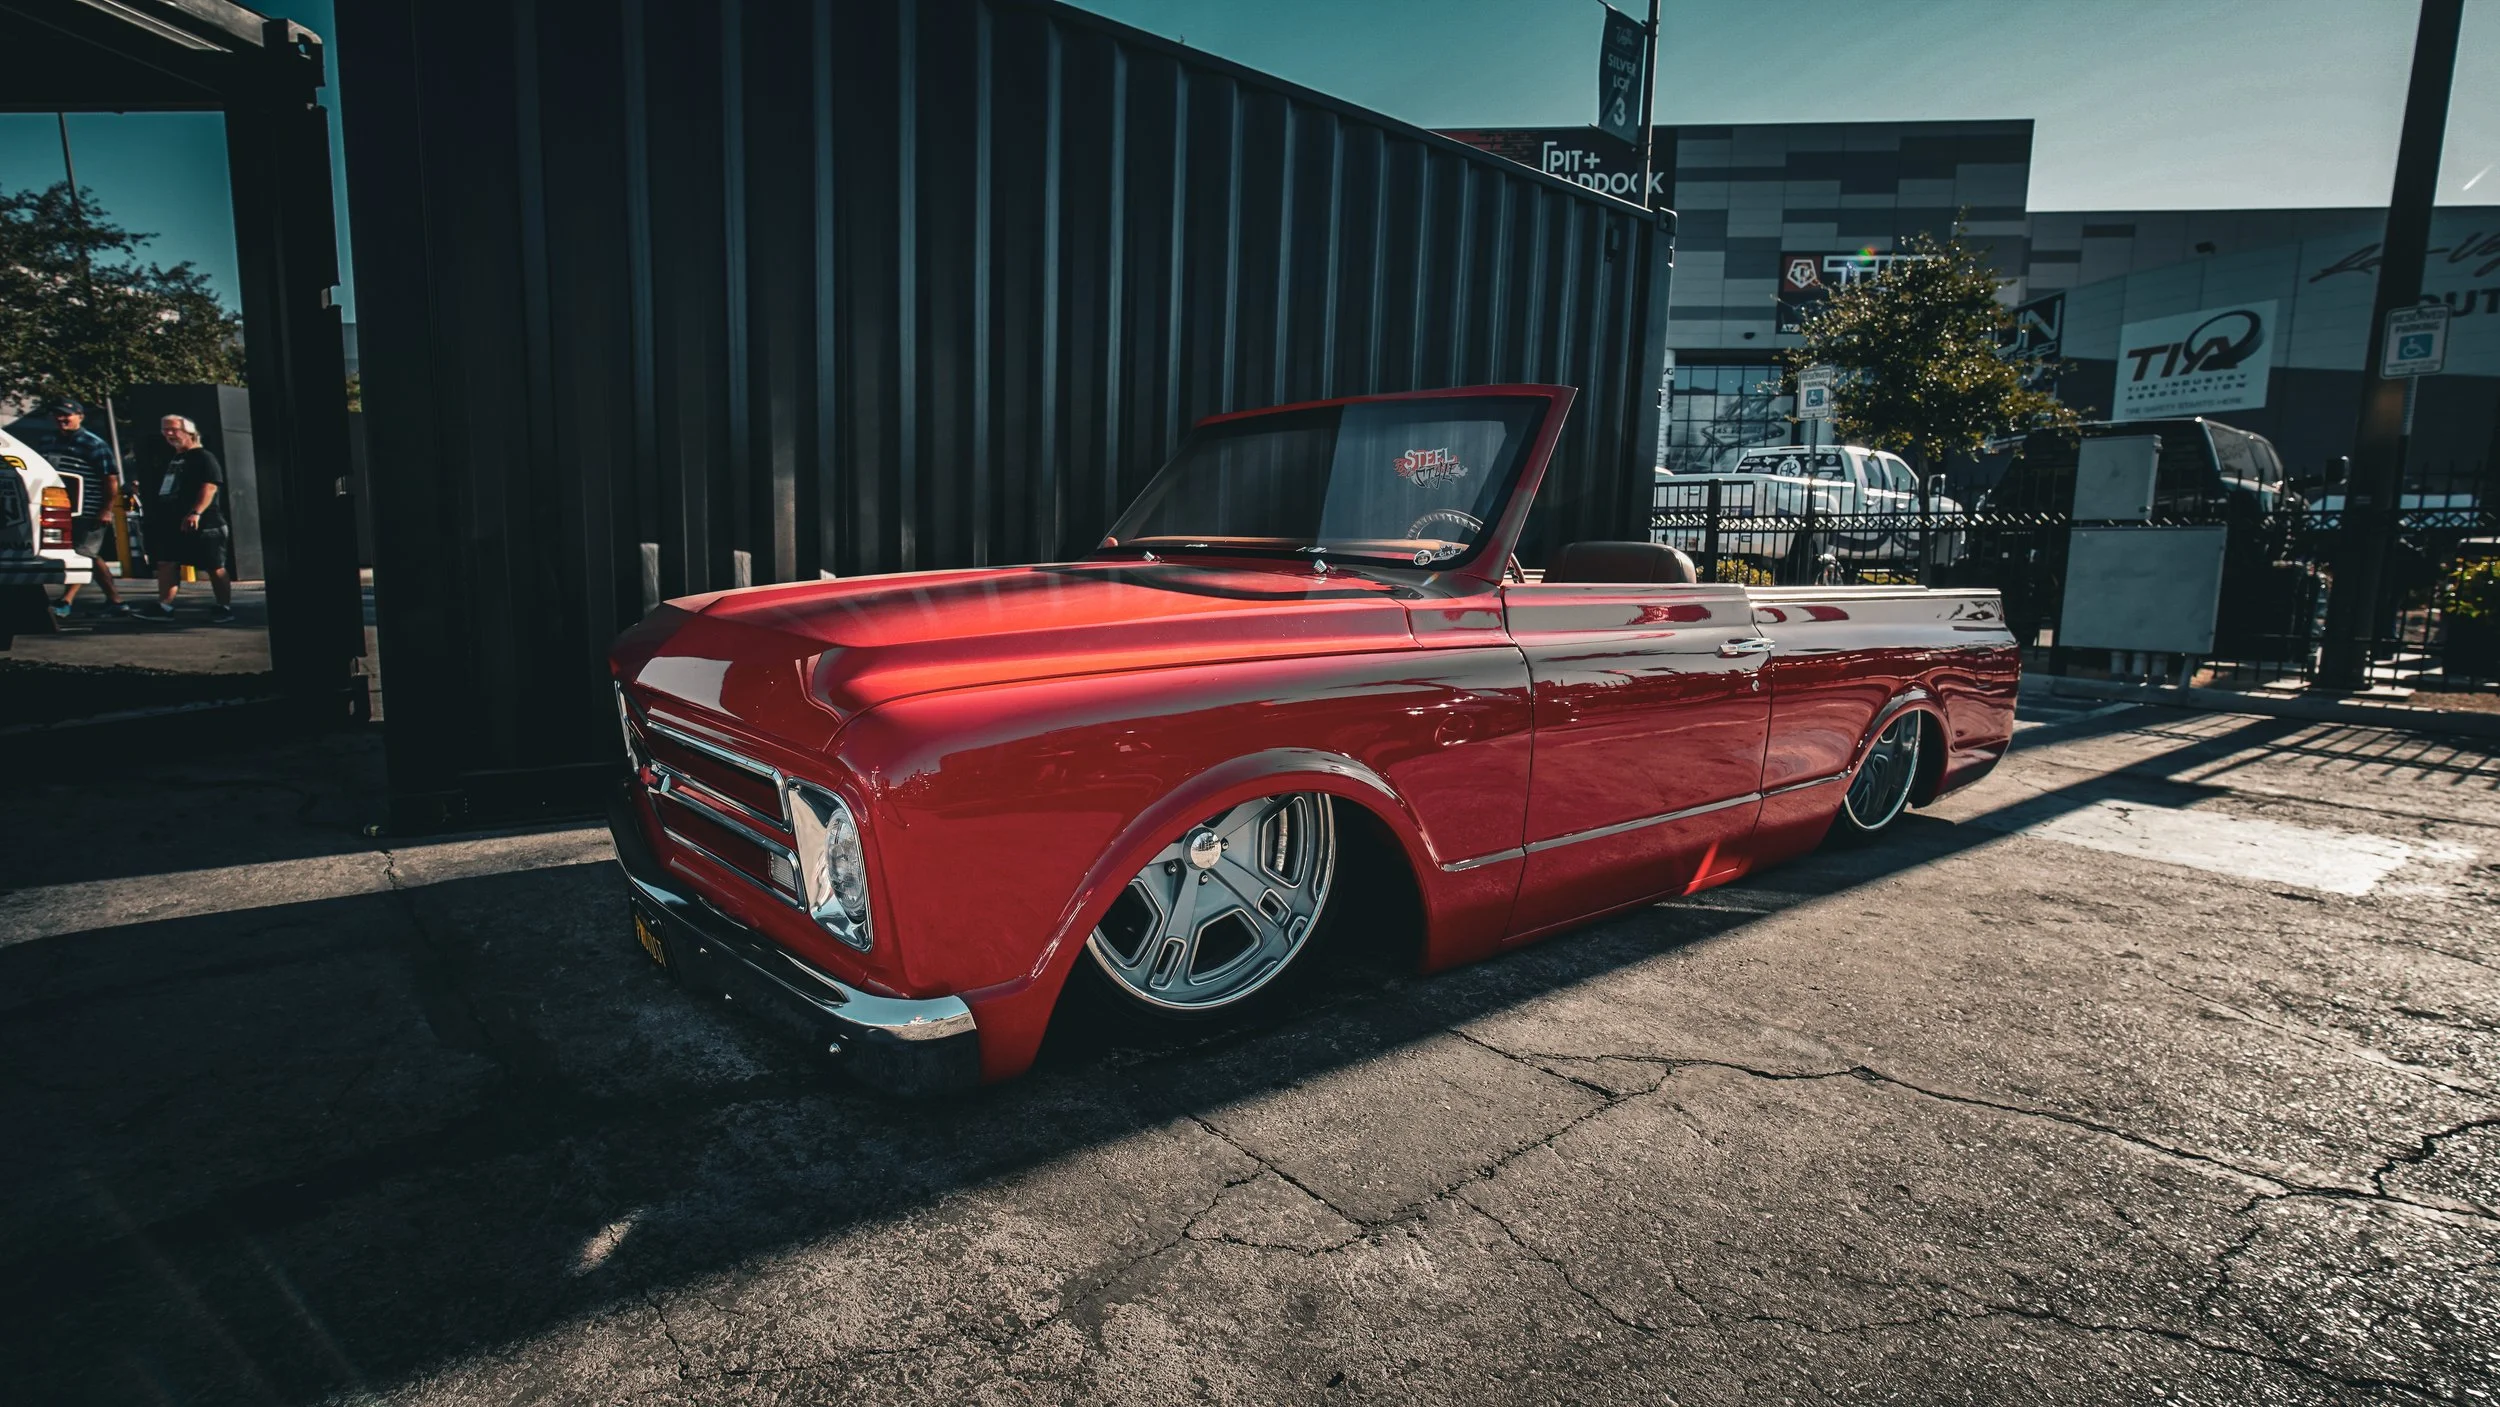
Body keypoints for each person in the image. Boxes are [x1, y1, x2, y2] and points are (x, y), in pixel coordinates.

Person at [30, 397, 132, 618]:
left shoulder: (94, 444)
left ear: (80, 417)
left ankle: (66, 601)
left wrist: (106, 509)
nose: (61, 419)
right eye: (57, 414)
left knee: (83, 553)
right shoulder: (48, 440)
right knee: (87, 557)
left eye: (66, 415)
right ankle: (116, 601)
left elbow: (110, 479)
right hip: (57, 509)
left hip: (89, 510)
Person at [134, 415, 235, 624]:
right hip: (173, 521)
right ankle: (164, 606)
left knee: (214, 565)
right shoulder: (173, 458)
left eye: (173, 429)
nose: (168, 434)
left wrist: (196, 512)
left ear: (189, 431)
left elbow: (210, 486)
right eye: (165, 430)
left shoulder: (204, 457)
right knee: (167, 562)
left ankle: (224, 607)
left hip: (205, 522)